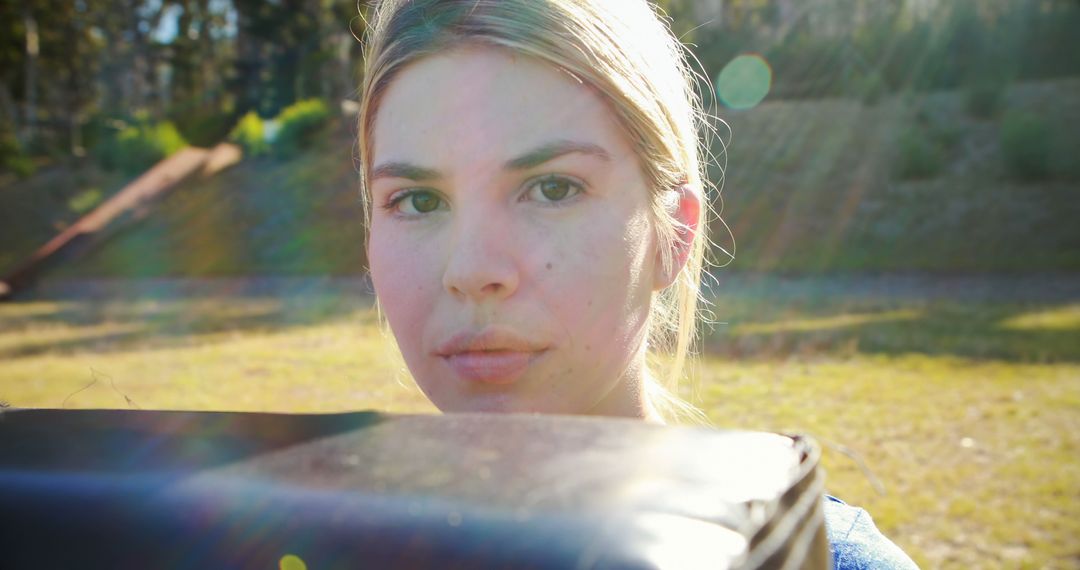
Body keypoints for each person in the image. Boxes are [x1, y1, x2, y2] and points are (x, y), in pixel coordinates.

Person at [357, 0, 918, 567]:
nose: (471, 271)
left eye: (553, 189)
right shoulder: (309, 543)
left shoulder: (820, 559)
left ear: (673, 234)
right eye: (418, 201)